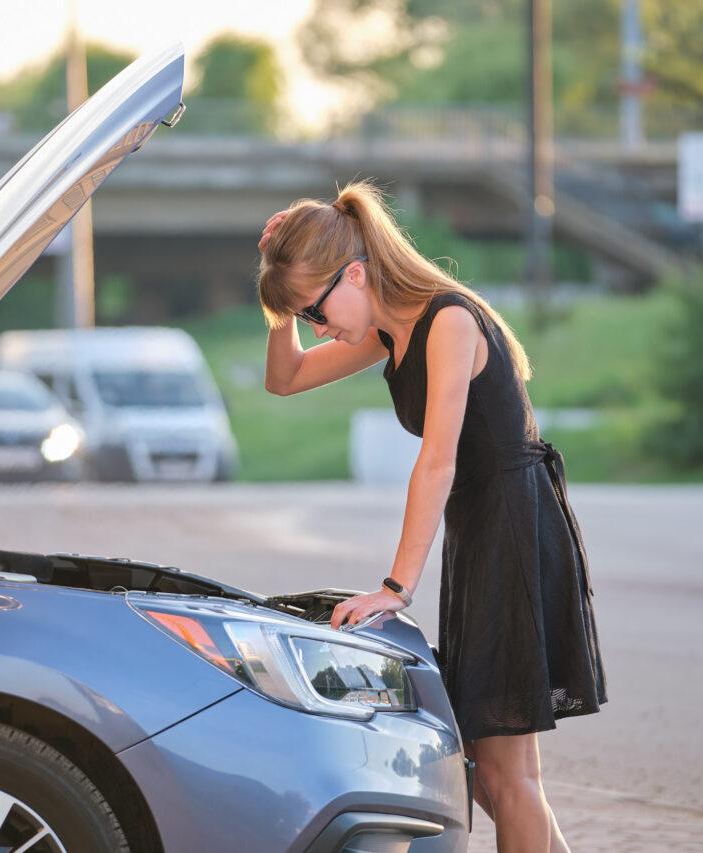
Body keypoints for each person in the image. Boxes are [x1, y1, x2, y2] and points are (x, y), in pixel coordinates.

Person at [256, 179, 606, 853]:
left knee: (505, 777)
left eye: (318, 311)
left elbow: (437, 461)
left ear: (355, 273)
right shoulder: (390, 331)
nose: (321, 329)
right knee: (495, 774)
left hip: (513, 529)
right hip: (483, 532)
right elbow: (287, 377)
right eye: (310, 317)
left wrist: (394, 587)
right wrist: (281, 303)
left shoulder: (446, 321)